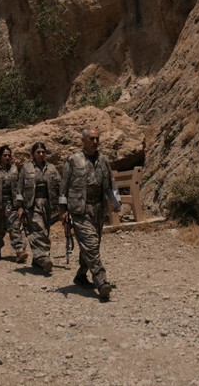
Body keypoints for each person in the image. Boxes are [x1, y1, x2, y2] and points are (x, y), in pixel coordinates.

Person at [58, 128, 121, 300]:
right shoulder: (73, 160)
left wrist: (116, 202)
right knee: (91, 244)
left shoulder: (103, 160)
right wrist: (63, 211)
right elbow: (63, 187)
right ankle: (101, 281)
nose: (95, 142)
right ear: (83, 141)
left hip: (98, 209)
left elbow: (111, 184)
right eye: (91, 139)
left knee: (92, 245)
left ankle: (80, 276)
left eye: (97, 139)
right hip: (80, 210)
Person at [16, 142, 61, 273]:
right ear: (33, 154)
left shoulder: (52, 168)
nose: (41, 154)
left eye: (43, 152)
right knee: (38, 230)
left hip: (48, 204)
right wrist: (20, 207)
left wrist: (63, 205)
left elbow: (59, 186)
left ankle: (37, 261)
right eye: (38, 152)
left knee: (44, 231)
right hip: (32, 204)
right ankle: (44, 258)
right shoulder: (26, 168)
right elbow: (19, 190)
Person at [0, 145, 28, 263]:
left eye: (9, 155)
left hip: (11, 204)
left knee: (14, 227)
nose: (7, 157)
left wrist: (20, 206)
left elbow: (19, 189)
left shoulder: (14, 170)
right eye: (4, 155)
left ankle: (19, 251)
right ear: (0, 156)